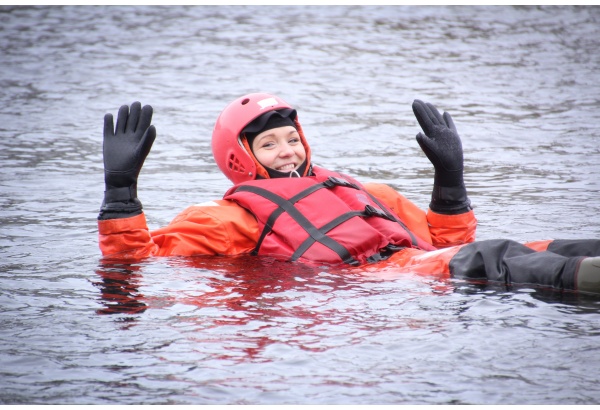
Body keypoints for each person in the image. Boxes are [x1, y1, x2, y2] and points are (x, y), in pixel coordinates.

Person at [97, 93, 600, 294]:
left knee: (551, 245)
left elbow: (444, 236)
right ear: (241, 158)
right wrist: (121, 191)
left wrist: (451, 178)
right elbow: (136, 259)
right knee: (494, 257)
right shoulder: (231, 217)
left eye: (292, 138)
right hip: (384, 280)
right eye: (269, 144)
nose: (288, 151)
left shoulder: (359, 188)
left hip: (423, 265)